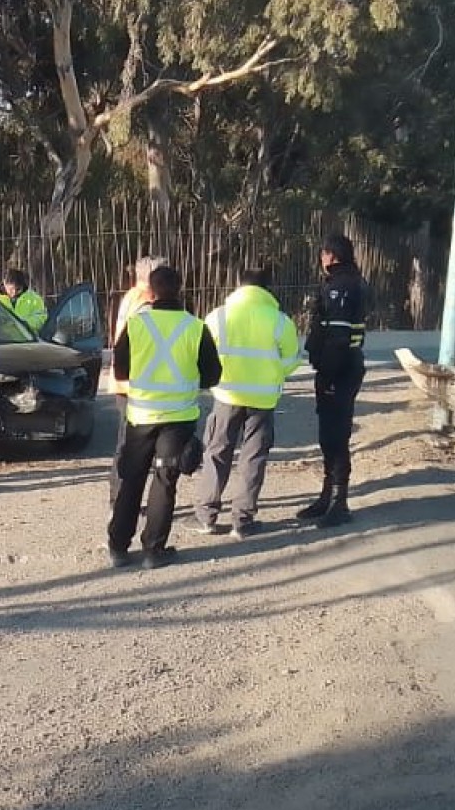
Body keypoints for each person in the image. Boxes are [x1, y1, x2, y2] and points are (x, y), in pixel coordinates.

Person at [107, 264, 221, 569]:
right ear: (180, 288)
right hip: (178, 416)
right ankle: (153, 550)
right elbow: (212, 375)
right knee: (164, 481)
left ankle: (118, 547)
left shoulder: (136, 324)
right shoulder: (195, 327)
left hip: (140, 414)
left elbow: (120, 370)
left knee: (131, 479)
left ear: (151, 291)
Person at [191, 266, 300, 537]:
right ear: (267, 288)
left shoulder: (217, 317)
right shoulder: (280, 321)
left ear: (239, 285)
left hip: (226, 395)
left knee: (216, 453)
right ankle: (243, 520)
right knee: (254, 457)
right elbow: (291, 361)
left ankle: (206, 516)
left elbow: (203, 356)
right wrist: (271, 374)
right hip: (263, 399)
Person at [298, 234, 369, 526]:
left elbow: (338, 337)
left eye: (322, 254)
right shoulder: (351, 282)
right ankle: (328, 497)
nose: (321, 259)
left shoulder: (340, 286)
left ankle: (339, 504)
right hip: (346, 365)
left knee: (335, 437)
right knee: (330, 436)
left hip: (339, 369)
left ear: (330, 255)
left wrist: (327, 374)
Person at [105, 254, 163, 500]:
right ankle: (122, 496)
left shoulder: (131, 296)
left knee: (126, 442)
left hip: (125, 379)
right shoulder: (146, 301)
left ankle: (120, 495)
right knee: (131, 445)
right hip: (136, 381)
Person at [0, 269, 49, 334]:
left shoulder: (34, 299)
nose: (14, 293)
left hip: (28, 340)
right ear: (4, 283)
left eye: (18, 289)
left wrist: (24, 324)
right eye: (11, 289)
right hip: (3, 341)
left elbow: (42, 317)